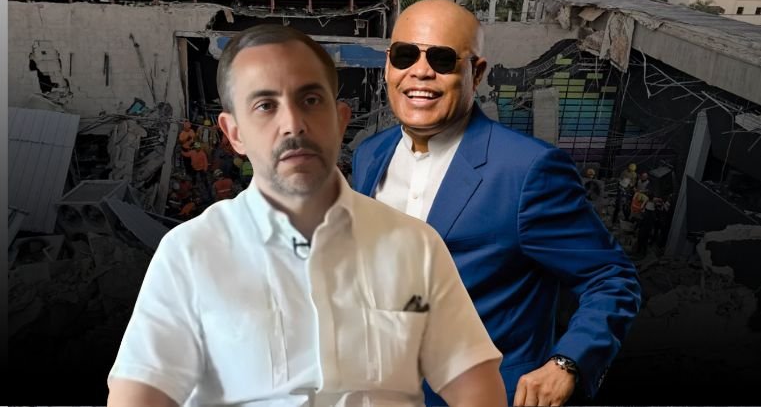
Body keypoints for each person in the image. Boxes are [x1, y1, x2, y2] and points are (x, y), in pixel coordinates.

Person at [107, 24, 506, 407]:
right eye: (265, 106)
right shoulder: (190, 253)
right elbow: (140, 395)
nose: (293, 125)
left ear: (341, 119)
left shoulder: (415, 246)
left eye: (311, 100)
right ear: (234, 133)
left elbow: (474, 384)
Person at [351, 0, 642, 407]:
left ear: (477, 72)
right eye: (405, 56)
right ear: (388, 66)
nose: (420, 71)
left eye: (442, 59)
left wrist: (568, 363)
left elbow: (611, 277)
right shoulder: (369, 155)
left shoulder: (529, 171)